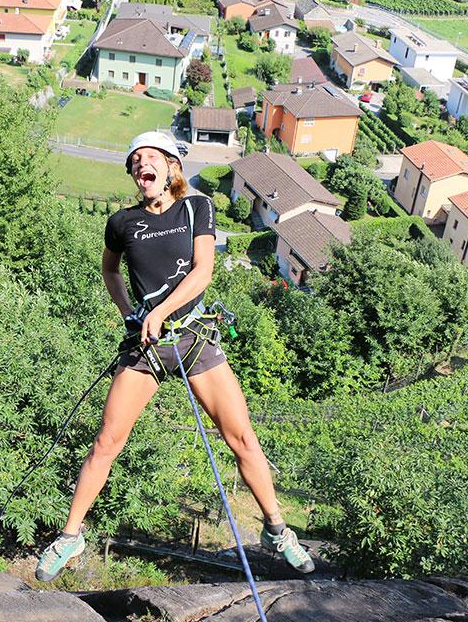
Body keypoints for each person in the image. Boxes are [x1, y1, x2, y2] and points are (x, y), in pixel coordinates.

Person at [35, 131, 315, 582]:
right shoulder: (122, 222)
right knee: (107, 442)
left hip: (192, 336)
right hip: (147, 345)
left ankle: (277, 530)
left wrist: (161, 311)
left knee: (241, 438)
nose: (139, 166)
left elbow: (204, 270)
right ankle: (70, 536)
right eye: (133, 162)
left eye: (148, 159)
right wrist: (130, 312)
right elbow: (109, 269)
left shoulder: (196, 207)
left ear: (170, 167)